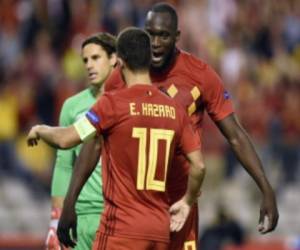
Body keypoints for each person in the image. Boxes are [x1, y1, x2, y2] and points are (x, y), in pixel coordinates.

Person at [104, 3, 279, 249]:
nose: (154, 43)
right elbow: (98, 135)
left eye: (163, 36)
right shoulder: (122, 75)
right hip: (132, 207)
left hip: (180, 205)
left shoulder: (200, 75)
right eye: (150, 34)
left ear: (177, 37)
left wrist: (265, 187)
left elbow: (235, 136)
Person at [27, 27, 206, 250]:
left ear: (120, 61)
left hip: (121, 228)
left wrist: (41, 129)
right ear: (149, 59)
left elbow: (67, 139)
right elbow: (198, 165)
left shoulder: (112, 104)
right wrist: (187, 202)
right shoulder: (174, 109)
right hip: (159, 229)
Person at [45, 32, 117, 250]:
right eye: (85, 60)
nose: (89, 65)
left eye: (96, 58)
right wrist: (55, 221)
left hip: (117, 214)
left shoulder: (128, 103)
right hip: (81, 216)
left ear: (114, 58)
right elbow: (64, 165)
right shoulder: (72, 107)